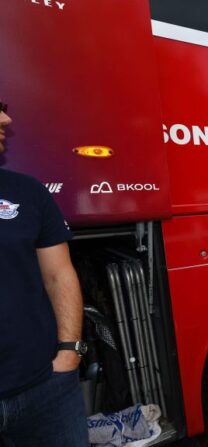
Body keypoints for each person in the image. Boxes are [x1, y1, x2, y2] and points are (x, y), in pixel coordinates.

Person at [0, 99, 89, 446]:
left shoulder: (28, 192)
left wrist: (69, 353)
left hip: (45, 390)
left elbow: (59, 275)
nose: (6, 119)